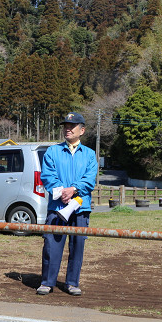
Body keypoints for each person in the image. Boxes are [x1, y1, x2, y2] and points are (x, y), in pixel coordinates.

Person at [37, 112, 97, 296]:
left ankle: (72, 282)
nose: (67, 129)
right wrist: (63, 191)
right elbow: (47, 176)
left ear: (82, 130)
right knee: (51, 245)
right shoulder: (53, 151)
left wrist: (74, 190)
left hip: (80, 207)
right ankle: (47, 282)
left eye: (72, 126)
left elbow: (90, 179)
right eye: (65, 126)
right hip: (57, 207)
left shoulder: (89, 154)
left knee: (77, 246)